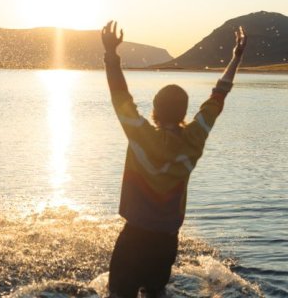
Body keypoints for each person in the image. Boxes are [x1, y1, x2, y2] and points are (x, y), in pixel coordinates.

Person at [101, 20, 247, 298]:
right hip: (166, 242)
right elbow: (219, 93)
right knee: (155, 293)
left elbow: (119, 94)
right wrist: (236, 58)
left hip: (134, 239)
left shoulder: (140, 134)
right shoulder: (194, 138)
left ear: (155, 109)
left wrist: (111, 53)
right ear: (184, 111)